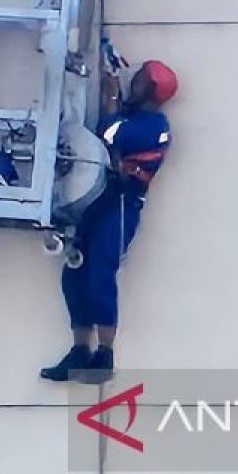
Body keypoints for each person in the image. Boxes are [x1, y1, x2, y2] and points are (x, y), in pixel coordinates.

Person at [40, 59, 178, 384]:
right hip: (98, 202)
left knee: (101, 273)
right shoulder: (137, 120)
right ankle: (78, 350)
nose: (135, 82)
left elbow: (107, 132)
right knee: (75, 273)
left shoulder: (154, 125)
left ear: (152, 90)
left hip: (120, 205)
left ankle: (104, 354)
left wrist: (111, 97)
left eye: (142, 79)